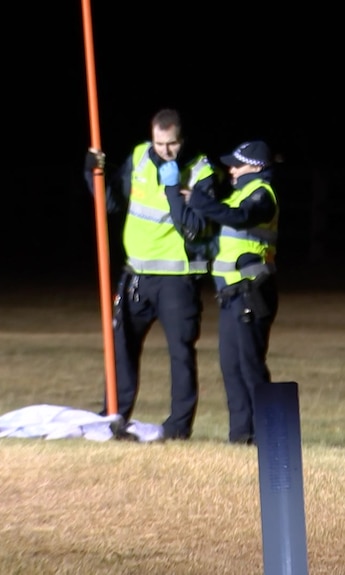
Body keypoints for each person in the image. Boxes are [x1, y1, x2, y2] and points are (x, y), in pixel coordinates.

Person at [83, 108, 218, 440]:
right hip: (136, 277)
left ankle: (178, 427)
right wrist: (93, 174)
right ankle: (114, 414)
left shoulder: (200, 170)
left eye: (171, 144)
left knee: (181, 353)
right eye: (160, 144)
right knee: (121, 347)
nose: (165, 151)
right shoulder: (140, 158)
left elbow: (198, 227)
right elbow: (111, 201)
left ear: (181, 140)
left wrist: (175, 191)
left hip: (176, 279)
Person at [187, 140, 280, 445]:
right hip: (232, 296)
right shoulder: (241, 193)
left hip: (250, 293)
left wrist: (201, 203)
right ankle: (241, 436)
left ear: (255, 168)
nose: (230, 169)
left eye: (236, 164)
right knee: (231, 365)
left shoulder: (261, 195)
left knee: (250, 365)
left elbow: (240, 218)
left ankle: (268, 436)